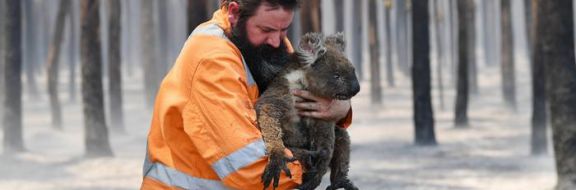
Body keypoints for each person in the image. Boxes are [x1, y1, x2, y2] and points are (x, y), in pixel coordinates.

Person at [141, 0, 353, 189]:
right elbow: (248, 168)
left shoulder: (269, 44)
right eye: (265, 29)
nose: (277, 41)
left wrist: (340, 109)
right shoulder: (211, 61)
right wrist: (315, 163)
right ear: (234, 13)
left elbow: (306, 96)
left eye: (284, 30)